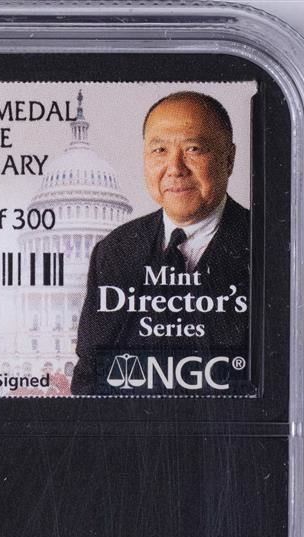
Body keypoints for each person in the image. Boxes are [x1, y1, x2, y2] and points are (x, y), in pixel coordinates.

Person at [70, 91, 250, 394]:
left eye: (193, 149)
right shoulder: (114, 251)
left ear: (229, 159)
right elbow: (90, 374)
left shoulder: (269, 246)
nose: (175, 167)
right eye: (160, 150)